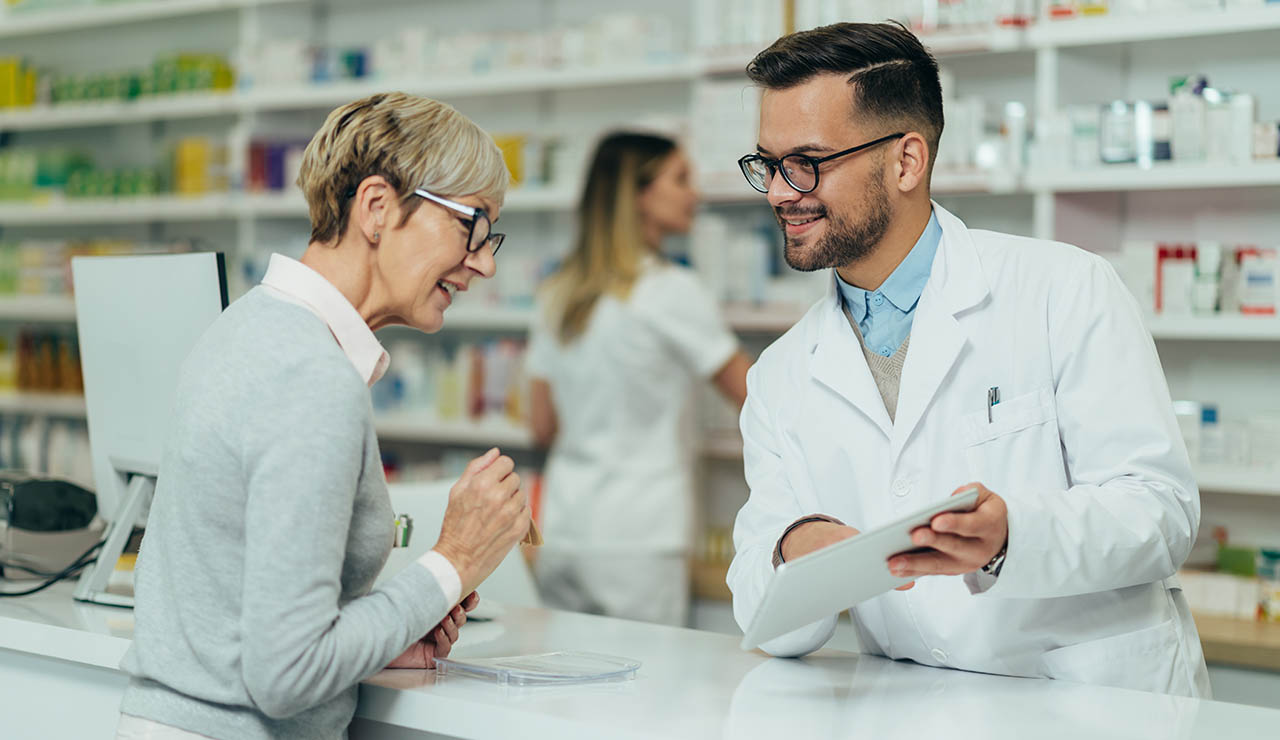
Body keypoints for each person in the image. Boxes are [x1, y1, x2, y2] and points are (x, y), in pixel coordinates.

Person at [727, 22, 1211, 697]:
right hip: (921, 709)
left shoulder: (1063, 289)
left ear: (906, 161)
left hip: (1096, 706)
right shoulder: (780, 374)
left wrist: (1012, 534)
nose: (779, 192)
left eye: (806, 161)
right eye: (768, 164)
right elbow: (766, 623)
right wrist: (795, 550)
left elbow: (1160, 515)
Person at [116, 92, 532, 739]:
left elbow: (248, 618)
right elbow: (285, 676)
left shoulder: (248, 327)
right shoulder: (312, 377)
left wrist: (368, 643)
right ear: (377, 207)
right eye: (471, 225)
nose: (485, 261)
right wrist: (453, 561)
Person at [525, 132, 751, 626]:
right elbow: (755, 397)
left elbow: (540, 425)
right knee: (643, 696)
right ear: (638, 195)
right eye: (680, 179)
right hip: (639, 541)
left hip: (563, 532)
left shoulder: (558, 293)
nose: (695, 194)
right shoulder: (670, 290)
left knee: (564, 691)